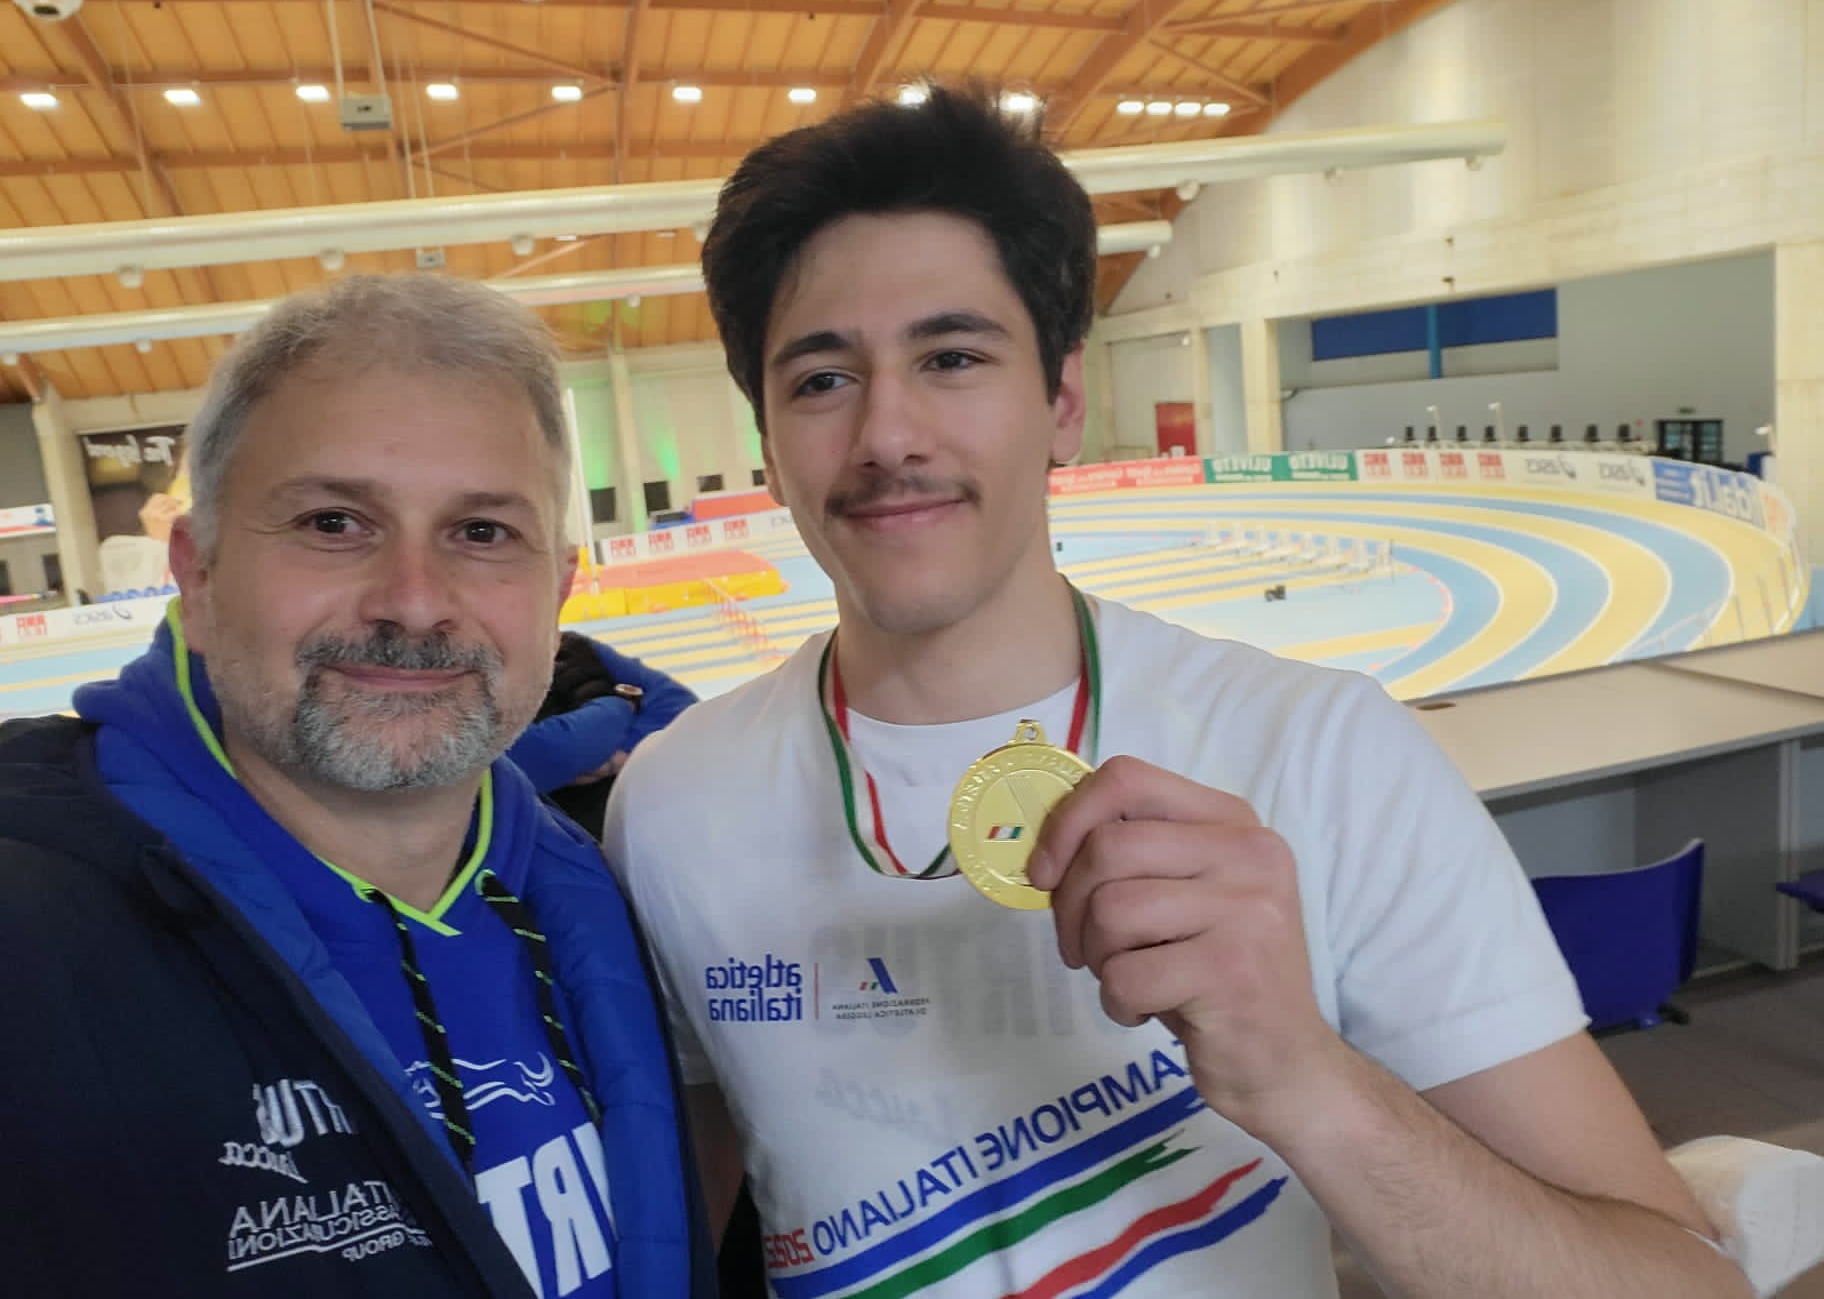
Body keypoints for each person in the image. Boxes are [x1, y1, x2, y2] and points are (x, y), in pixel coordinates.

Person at [602, 85, 1751, 1298]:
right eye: (822, 380)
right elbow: (679, 1243)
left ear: (1061, 402)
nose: (888, 432)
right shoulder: (672, 807)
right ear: (768, 443)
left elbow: (1687, 1285)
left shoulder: (1324, 755)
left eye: (952, 357)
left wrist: (1304, 1074)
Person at [0, 274, 714, 1299]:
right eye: (334, 522)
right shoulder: (32, 940)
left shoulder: (592, 885)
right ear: (198, 573)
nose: (414, 603)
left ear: (557, 590)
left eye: (482, 533)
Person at [510, 630, 699, 838]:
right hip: (571, 836)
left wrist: (614, 757)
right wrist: (621, 706)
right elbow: (547, 753)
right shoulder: (486, 685)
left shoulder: (576, 647)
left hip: (646, 822)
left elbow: (678, 704)